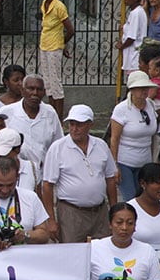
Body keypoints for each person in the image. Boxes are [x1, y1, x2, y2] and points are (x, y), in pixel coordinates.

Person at [41, 104, 117, 243]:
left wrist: (114, 211)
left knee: (102, 251)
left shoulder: (101, 146)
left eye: (79, 125)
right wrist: (51, 219)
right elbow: (47, 185)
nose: (74, 129)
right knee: (72, 253)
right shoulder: (58, 148)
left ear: (90, 125)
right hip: (71, 212)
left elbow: (110, 179)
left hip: (100, 211)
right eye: (71, 124)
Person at [109, 71, 159, 201]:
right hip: (125, 162)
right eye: (141, 88)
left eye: (146, 88)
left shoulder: (151, 106)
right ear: (132, 89)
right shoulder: (121, 109)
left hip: (145, 162)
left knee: (144, 198)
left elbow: (154, 135)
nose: (144, 91)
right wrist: (114, 166)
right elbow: (114, 139)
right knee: (131, 200)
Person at [0, 74, 63, 171]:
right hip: (13, 173)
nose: (35, 93)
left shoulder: (50, 114)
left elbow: (58, 146)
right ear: (22, 90)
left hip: (43, 174)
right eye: (31, 89)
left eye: (39, 89)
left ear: (44, 92)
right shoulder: (7, 112)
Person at [36, 0, 74, 117]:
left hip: (54, 47)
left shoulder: (59, 7)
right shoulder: (44, 4)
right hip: (44, 45)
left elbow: (70, 30)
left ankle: (59, 115)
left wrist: (62, 45)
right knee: (48, 82)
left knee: (55, 81)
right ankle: (52, 112)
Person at [117, 0, 147, 80]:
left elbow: (132, 37)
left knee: (133, 81)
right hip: (132, 54)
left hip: (134, 55)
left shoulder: (136, 13)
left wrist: (122, 46)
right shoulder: (135, 12)